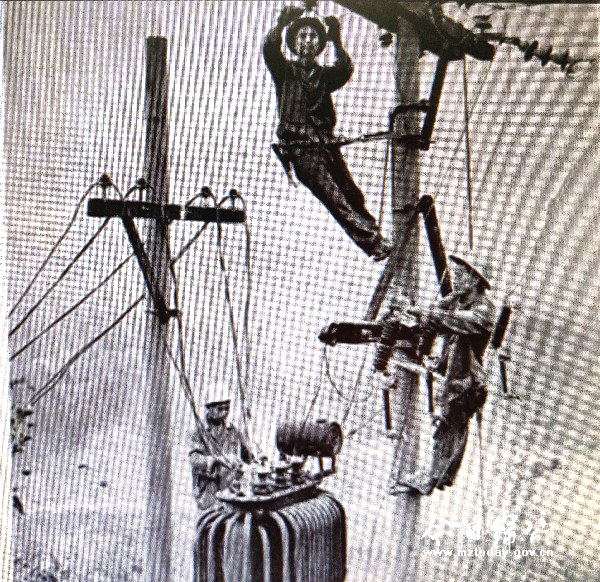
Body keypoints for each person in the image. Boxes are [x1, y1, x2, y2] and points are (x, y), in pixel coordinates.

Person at [263, 6, 392, 260]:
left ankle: (377, 235)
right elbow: (270, 49)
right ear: (294, 43)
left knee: (352, 194)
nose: (308, 41)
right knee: (337, 200)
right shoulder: (285, 72)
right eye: (302, 36)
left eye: (313, 37)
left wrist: (336, 40)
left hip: (327, 146)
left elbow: (344, 69)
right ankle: (374, 244)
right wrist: (281, 24)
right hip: (302, 150)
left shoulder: (323, 76)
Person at [390, 254, 495, 495]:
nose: (454, 277)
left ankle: (434, 478)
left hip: (466, 381)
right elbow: (437, 316)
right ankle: (440, 476)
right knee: (447, 426)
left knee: (450, 427)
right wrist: (415, 310)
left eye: (460, 274)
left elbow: (451, 321)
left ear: (475, 280)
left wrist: (417, 311)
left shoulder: (484, 310)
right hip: (452, 375)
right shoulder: (459, 300)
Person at [189, 397, 251, 510]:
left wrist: (253, 460)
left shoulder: (232, 430)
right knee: (211, 519)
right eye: (220, 409)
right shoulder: (199, 432)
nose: (224, 413)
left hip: (230, 489)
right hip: (208, 490)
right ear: (209, 408)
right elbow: (194, 459)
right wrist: (215, 460)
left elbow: (248, 455)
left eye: (227, 408)